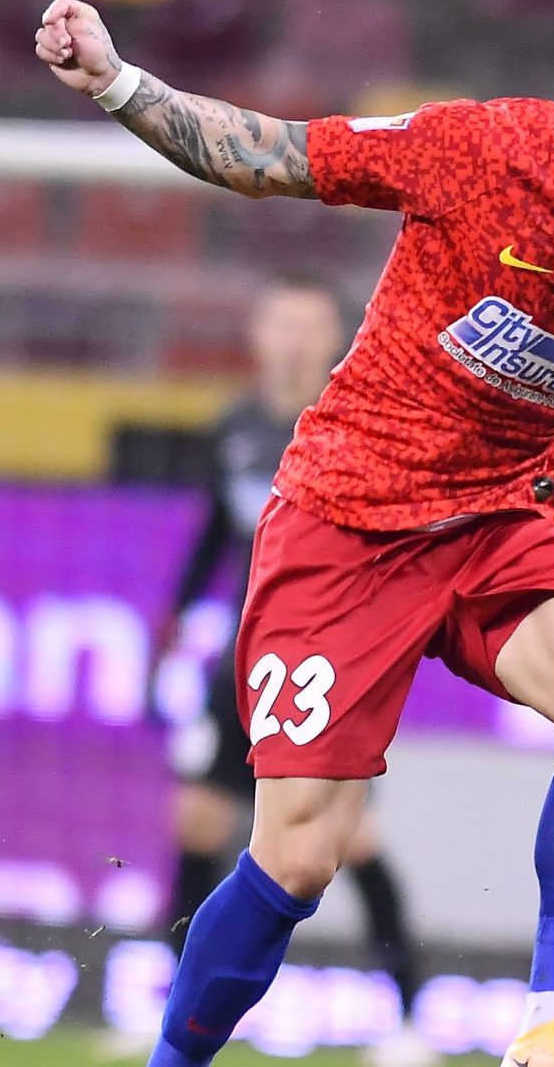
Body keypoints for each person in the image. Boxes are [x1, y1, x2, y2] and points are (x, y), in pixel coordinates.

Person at [34, 0, 554, 1067]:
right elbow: (268, 156)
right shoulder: (485, 154)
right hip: (347, 521)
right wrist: (119, 82)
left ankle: (552, 1022)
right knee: (296, 860)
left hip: (495, 516)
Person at [155, 275, 435, 1067]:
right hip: (242, 660)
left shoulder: (360, 426)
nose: (294, 339)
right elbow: (217, 532)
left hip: (327, 663)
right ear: (257, 335)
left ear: (336, 337)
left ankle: (411, 1018)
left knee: (351, 843)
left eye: (310, 326)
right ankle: (175, 1011)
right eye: (280, 323)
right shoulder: (234, 429)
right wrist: (174, 619)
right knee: (198, 828)